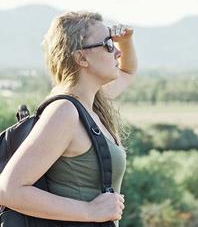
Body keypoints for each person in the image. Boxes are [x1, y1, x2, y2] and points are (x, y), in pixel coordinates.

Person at [0, 11, 137, 226]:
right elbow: (8, 190)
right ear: (81, 58)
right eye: (108, 44)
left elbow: (128, 71)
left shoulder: (92, 102)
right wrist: (90, 211)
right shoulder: (64, 112)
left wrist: (126, 40)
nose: (117, 52)